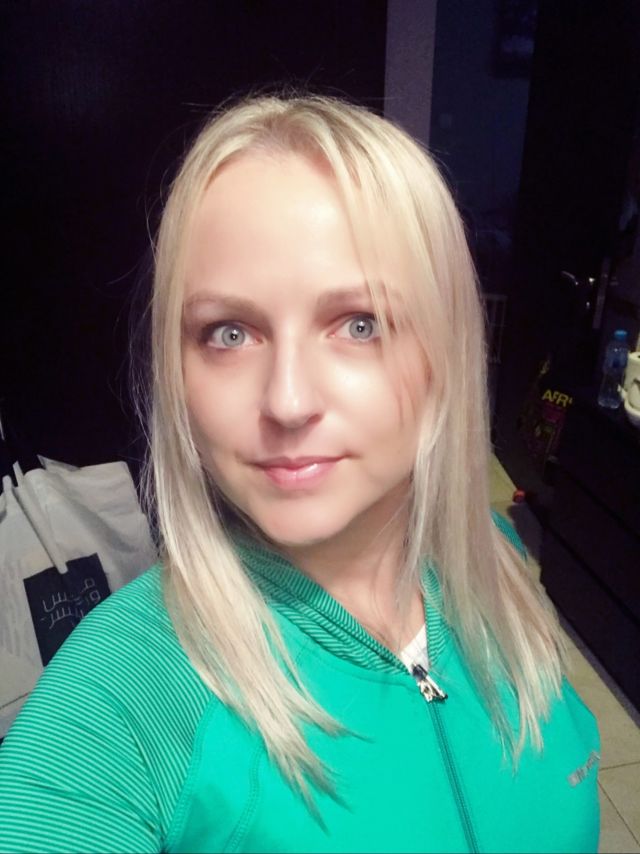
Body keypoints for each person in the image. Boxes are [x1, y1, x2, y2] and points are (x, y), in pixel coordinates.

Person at [0, 93, 600, 853]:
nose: (287, 401)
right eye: (229, 332)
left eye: (359, 324)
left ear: (443, 353)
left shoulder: (495, 558)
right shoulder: (124, 696)